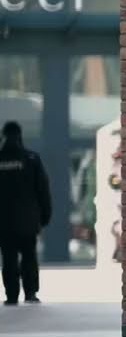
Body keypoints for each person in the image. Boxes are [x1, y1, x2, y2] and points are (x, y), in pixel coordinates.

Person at [0, 122, 51, 305]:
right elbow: (43, 190)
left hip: (4, 221)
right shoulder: (31, 159)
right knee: (29, 256)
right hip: (28, 219)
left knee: (8, 258)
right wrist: (45, 215)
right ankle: (30, 293)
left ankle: (11, 295)